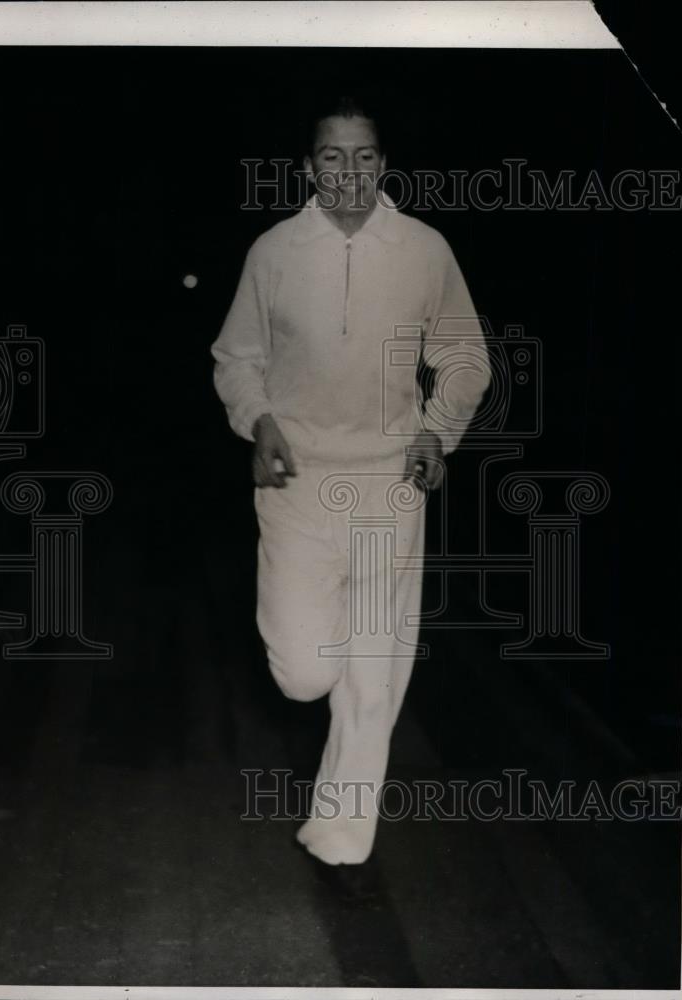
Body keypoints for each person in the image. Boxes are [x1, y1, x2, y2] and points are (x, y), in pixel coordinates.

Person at [210, 96, 491, 874]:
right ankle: (317, 683)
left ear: (382, 165)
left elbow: (466, 355)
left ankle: (340, 833)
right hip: (296, 482)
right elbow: (236, 356)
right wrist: (258, 420)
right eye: (332, 157)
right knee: (305, 674)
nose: (348, 172)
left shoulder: (423, 249)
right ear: (308, 167)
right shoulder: (273, 251)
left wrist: (437, 429)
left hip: (389, 481)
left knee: (374, 675)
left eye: (364, 157)